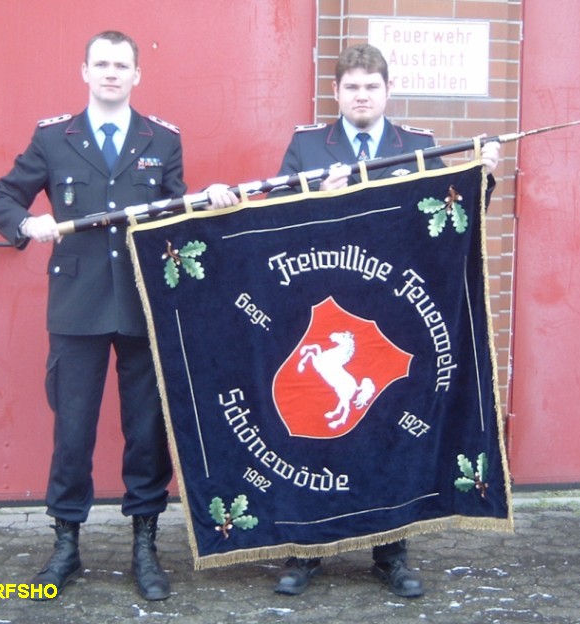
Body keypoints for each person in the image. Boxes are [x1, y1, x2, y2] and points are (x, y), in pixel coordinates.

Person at [210, 43, 500, 599]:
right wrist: (315, 198)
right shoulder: (306, 145)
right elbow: (277, 221)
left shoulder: (415, 146)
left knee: (385, 431)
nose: (361, 94)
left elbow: (447, 220)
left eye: (371, 86)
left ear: (387, 91)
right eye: (351, 87)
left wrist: (482, 179)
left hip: (390, 317)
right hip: (318, 311)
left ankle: (391, 553)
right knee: (314, 435)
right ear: (337, 94)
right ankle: (306, 550)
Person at [0, 31, 186, 601]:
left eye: (122, 65)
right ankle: (66, 544)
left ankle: (145, 544)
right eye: (102, 64)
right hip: (76, 308)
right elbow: (1, 198)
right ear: (85, 71)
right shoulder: (54, 139)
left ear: (137, 75)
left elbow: (176, 215)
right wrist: (25, 225)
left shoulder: (162, 140)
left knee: (145, 431)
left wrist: (205, 203)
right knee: (72, 431)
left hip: (142, 303)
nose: (112, 73)